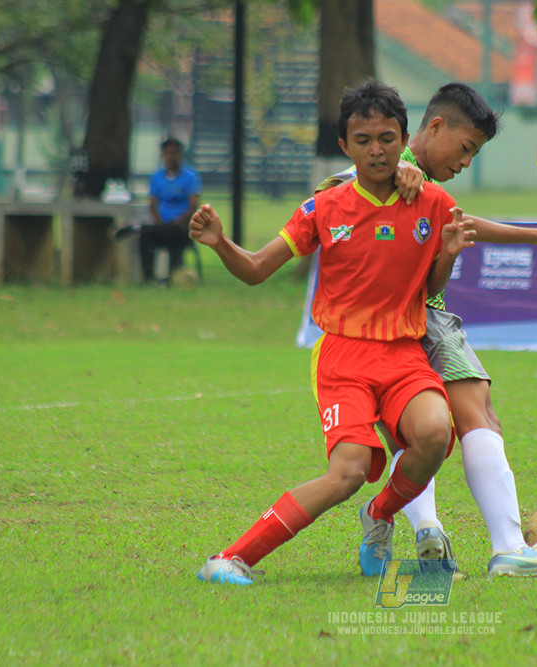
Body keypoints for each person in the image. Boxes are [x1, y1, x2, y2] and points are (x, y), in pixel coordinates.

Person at [192, 79, 476, 585]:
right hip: (344, 359)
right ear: (345, 146)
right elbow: (257, 269)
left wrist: (448, 255)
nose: (376, 150)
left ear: (404, 138)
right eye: (363, 140)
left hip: (405, 354)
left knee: (435, 432)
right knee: (345, 475)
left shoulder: (432, 202)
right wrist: (220, 244)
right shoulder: (323, 207)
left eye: (387, 138)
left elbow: (430, 286)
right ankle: (229, 558)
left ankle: (381, 513)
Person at [321, 83, 537, 578]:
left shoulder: (418, 182)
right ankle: (505, 544)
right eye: (466, 149)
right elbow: (331, 192)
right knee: (474, 415)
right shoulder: (385, 162)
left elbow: (459, 220)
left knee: (422, 433)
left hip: (400, 325)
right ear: (436, 127)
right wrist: (401, 164)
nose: (467, 162)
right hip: (406, 322)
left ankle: (429, 531)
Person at [139, 138, 201, 283]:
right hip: (162, 224)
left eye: (174, 153)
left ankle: (173, 275)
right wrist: (160, 221)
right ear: (163, 155)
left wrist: (177, 221)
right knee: (144, 234)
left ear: (180, 155)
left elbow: (193, 207)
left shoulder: (190, 177)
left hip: (181, 226)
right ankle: (148, 277)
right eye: (168, 153)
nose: (171, 157)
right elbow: (152, 205)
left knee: (174, 234)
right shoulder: (157, 177)